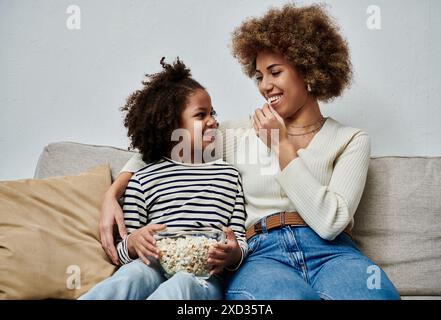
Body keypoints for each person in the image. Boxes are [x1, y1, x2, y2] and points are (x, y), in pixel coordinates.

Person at [100, 4, 400, 299]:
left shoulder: (350, 140)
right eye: (259, 76)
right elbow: (167, 140)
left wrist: (280, 145)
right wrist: (114, 191)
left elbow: (330, 223)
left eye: (275, 72)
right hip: (262, 254)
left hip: (333, 253)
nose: (265, 86)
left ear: (309, 68)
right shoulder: (240, 133)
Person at [80, 58, 247, 300]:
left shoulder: (228, 176)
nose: (213, 121)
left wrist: (232, 255)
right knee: (131, 277)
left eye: (213, 113)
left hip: (203, 278)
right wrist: (134, 242)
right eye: (201, 115)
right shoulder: (143, 180)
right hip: (153, 265)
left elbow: (239, 240)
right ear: (171, 125)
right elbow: (124, 249)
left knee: (181, 284)